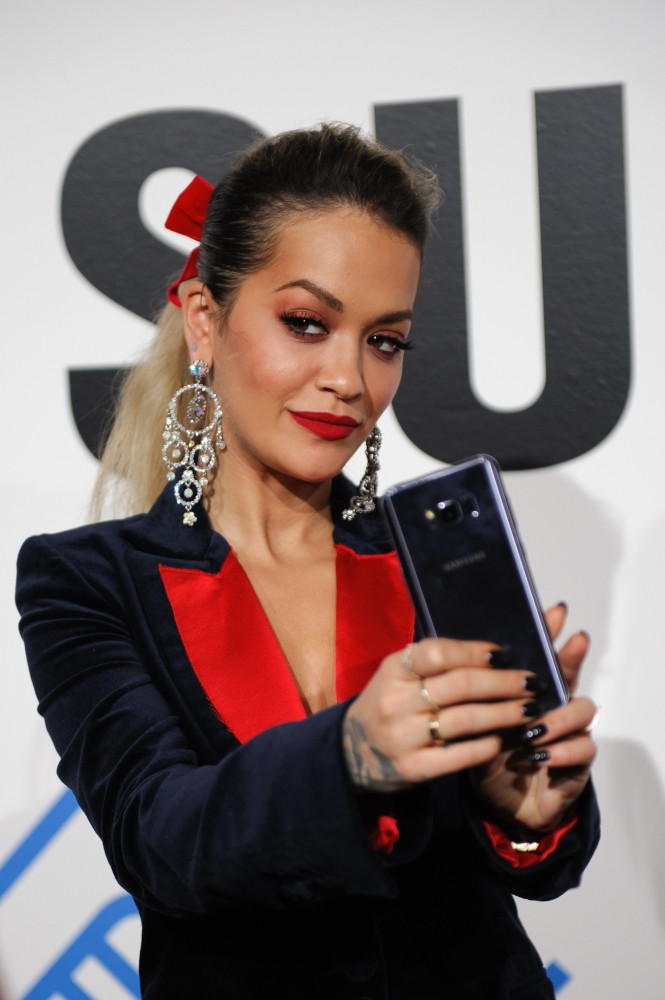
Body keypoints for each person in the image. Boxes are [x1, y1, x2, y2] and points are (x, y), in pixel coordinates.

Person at [16, 123, 599, 999]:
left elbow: (538, 865)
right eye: (306, 324)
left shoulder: (430, 556)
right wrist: (348, 758)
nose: (350, 379)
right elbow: (159, 840)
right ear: (205, 320)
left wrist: (523, 813)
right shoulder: (86, 580)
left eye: (384, 340)